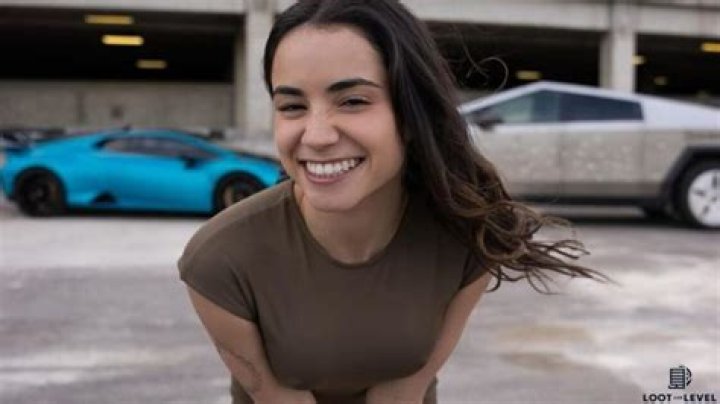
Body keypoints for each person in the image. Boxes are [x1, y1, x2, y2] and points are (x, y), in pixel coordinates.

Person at [178, 1, 604, 403]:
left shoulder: (468, 232)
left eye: (353, 101)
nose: (317, 135)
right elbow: (274, 397)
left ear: (413, 114)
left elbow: (405, 392)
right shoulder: (219, 259)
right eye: (292, 106)